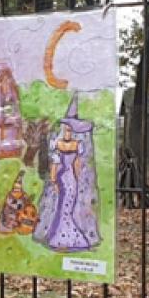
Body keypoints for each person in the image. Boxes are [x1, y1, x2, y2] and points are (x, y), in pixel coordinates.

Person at [33, 96, 100, 251]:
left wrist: (78, 178)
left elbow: (77, 164)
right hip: (61, 177)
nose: (68, 133)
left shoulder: (76, 145)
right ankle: (58, 234)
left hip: (71, 179)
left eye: (71, 130)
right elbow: (55, 165)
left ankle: (70, 233)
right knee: (59, 204)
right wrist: (54, 181)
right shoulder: (58, 144)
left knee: (70, 203)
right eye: (66, 130)